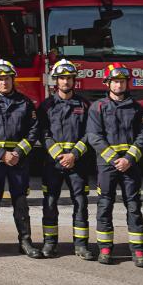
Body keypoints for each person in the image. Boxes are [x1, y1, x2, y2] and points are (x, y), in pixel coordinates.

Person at [86, 63, 143, 268]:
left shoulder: (136, 108)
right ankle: (105, 248)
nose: (118, 84)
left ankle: (138, 250)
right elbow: (94, 136)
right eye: (115, 81)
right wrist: (114, 158)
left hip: (130, 164)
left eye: (122, 81)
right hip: (107, 164)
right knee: (104, 205)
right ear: (107, 83)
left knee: (133, 206)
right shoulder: (98, 107)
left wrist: (129, 159)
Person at [0, 59, 42, 259]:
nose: (4, 82)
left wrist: (18, 153)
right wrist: (1, 154)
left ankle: (25, 242)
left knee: (20, 201)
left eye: (7, 78)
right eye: (0, 79)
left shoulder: (24, 103)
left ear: (13, 79)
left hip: (18, 160)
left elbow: (34, 131)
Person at [37, 59, 96, 260]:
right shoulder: (46, 106)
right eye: (62, 78)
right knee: (50, 203)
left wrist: (74, 155)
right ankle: (50, 243)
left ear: (74, 81)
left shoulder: (85, 105)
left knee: (80, 203)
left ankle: (80, 245)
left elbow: (90, 133)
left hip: (78, 163)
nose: (65, 82)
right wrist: (58, 155)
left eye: (69, 78)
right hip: (53, 163)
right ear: (56, 81)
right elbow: (42, 133)